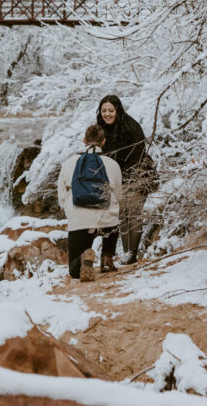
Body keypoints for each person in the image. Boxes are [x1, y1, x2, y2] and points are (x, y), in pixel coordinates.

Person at [57, 123, 122, 281]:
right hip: (107, 220)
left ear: (84, 140)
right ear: (103, 142)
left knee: (74, 272)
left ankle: (82, 259)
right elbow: (118, 196)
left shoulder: (70, 163)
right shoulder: (113, 164)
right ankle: (107, 258)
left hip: (79, 221)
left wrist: (71, 211)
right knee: (113, 222)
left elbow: (61, 196)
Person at [97, 94, 149, 265]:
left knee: (133, 213)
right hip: (116, 178)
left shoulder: (131, 127)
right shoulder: (101, 129)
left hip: (137, 174)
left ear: (117, 110)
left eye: (111, 110)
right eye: (104, 110)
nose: (107, 114)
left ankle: (131, 254)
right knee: (121, 215)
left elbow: (138, 154)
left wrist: (127, 176)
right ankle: (127, 253)